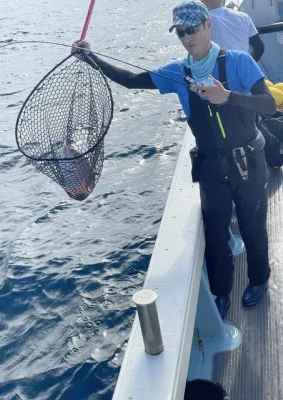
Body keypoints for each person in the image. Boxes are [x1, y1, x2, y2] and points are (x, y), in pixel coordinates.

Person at [71, 1, 276, 319]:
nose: (186, 37)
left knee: (252, 226)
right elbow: (131, 79)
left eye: (192, 29)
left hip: (249, 161)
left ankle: (259, 280)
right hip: (211, 166)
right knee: (216, 233)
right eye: (180, 32)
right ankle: (222, 292)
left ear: (208, 26)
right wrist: (91, 57)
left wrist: (229, 97)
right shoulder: (177, 72)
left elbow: (268, 106)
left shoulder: (239, 62)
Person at [202, 0, 283, 168]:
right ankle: (273, 156)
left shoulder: (202, 25)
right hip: (248, 86)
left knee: (249, 126)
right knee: (254, 119)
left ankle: (270, 155)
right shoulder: (243, 16)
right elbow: (259, 47)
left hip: (221, 89)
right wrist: (247, 70)